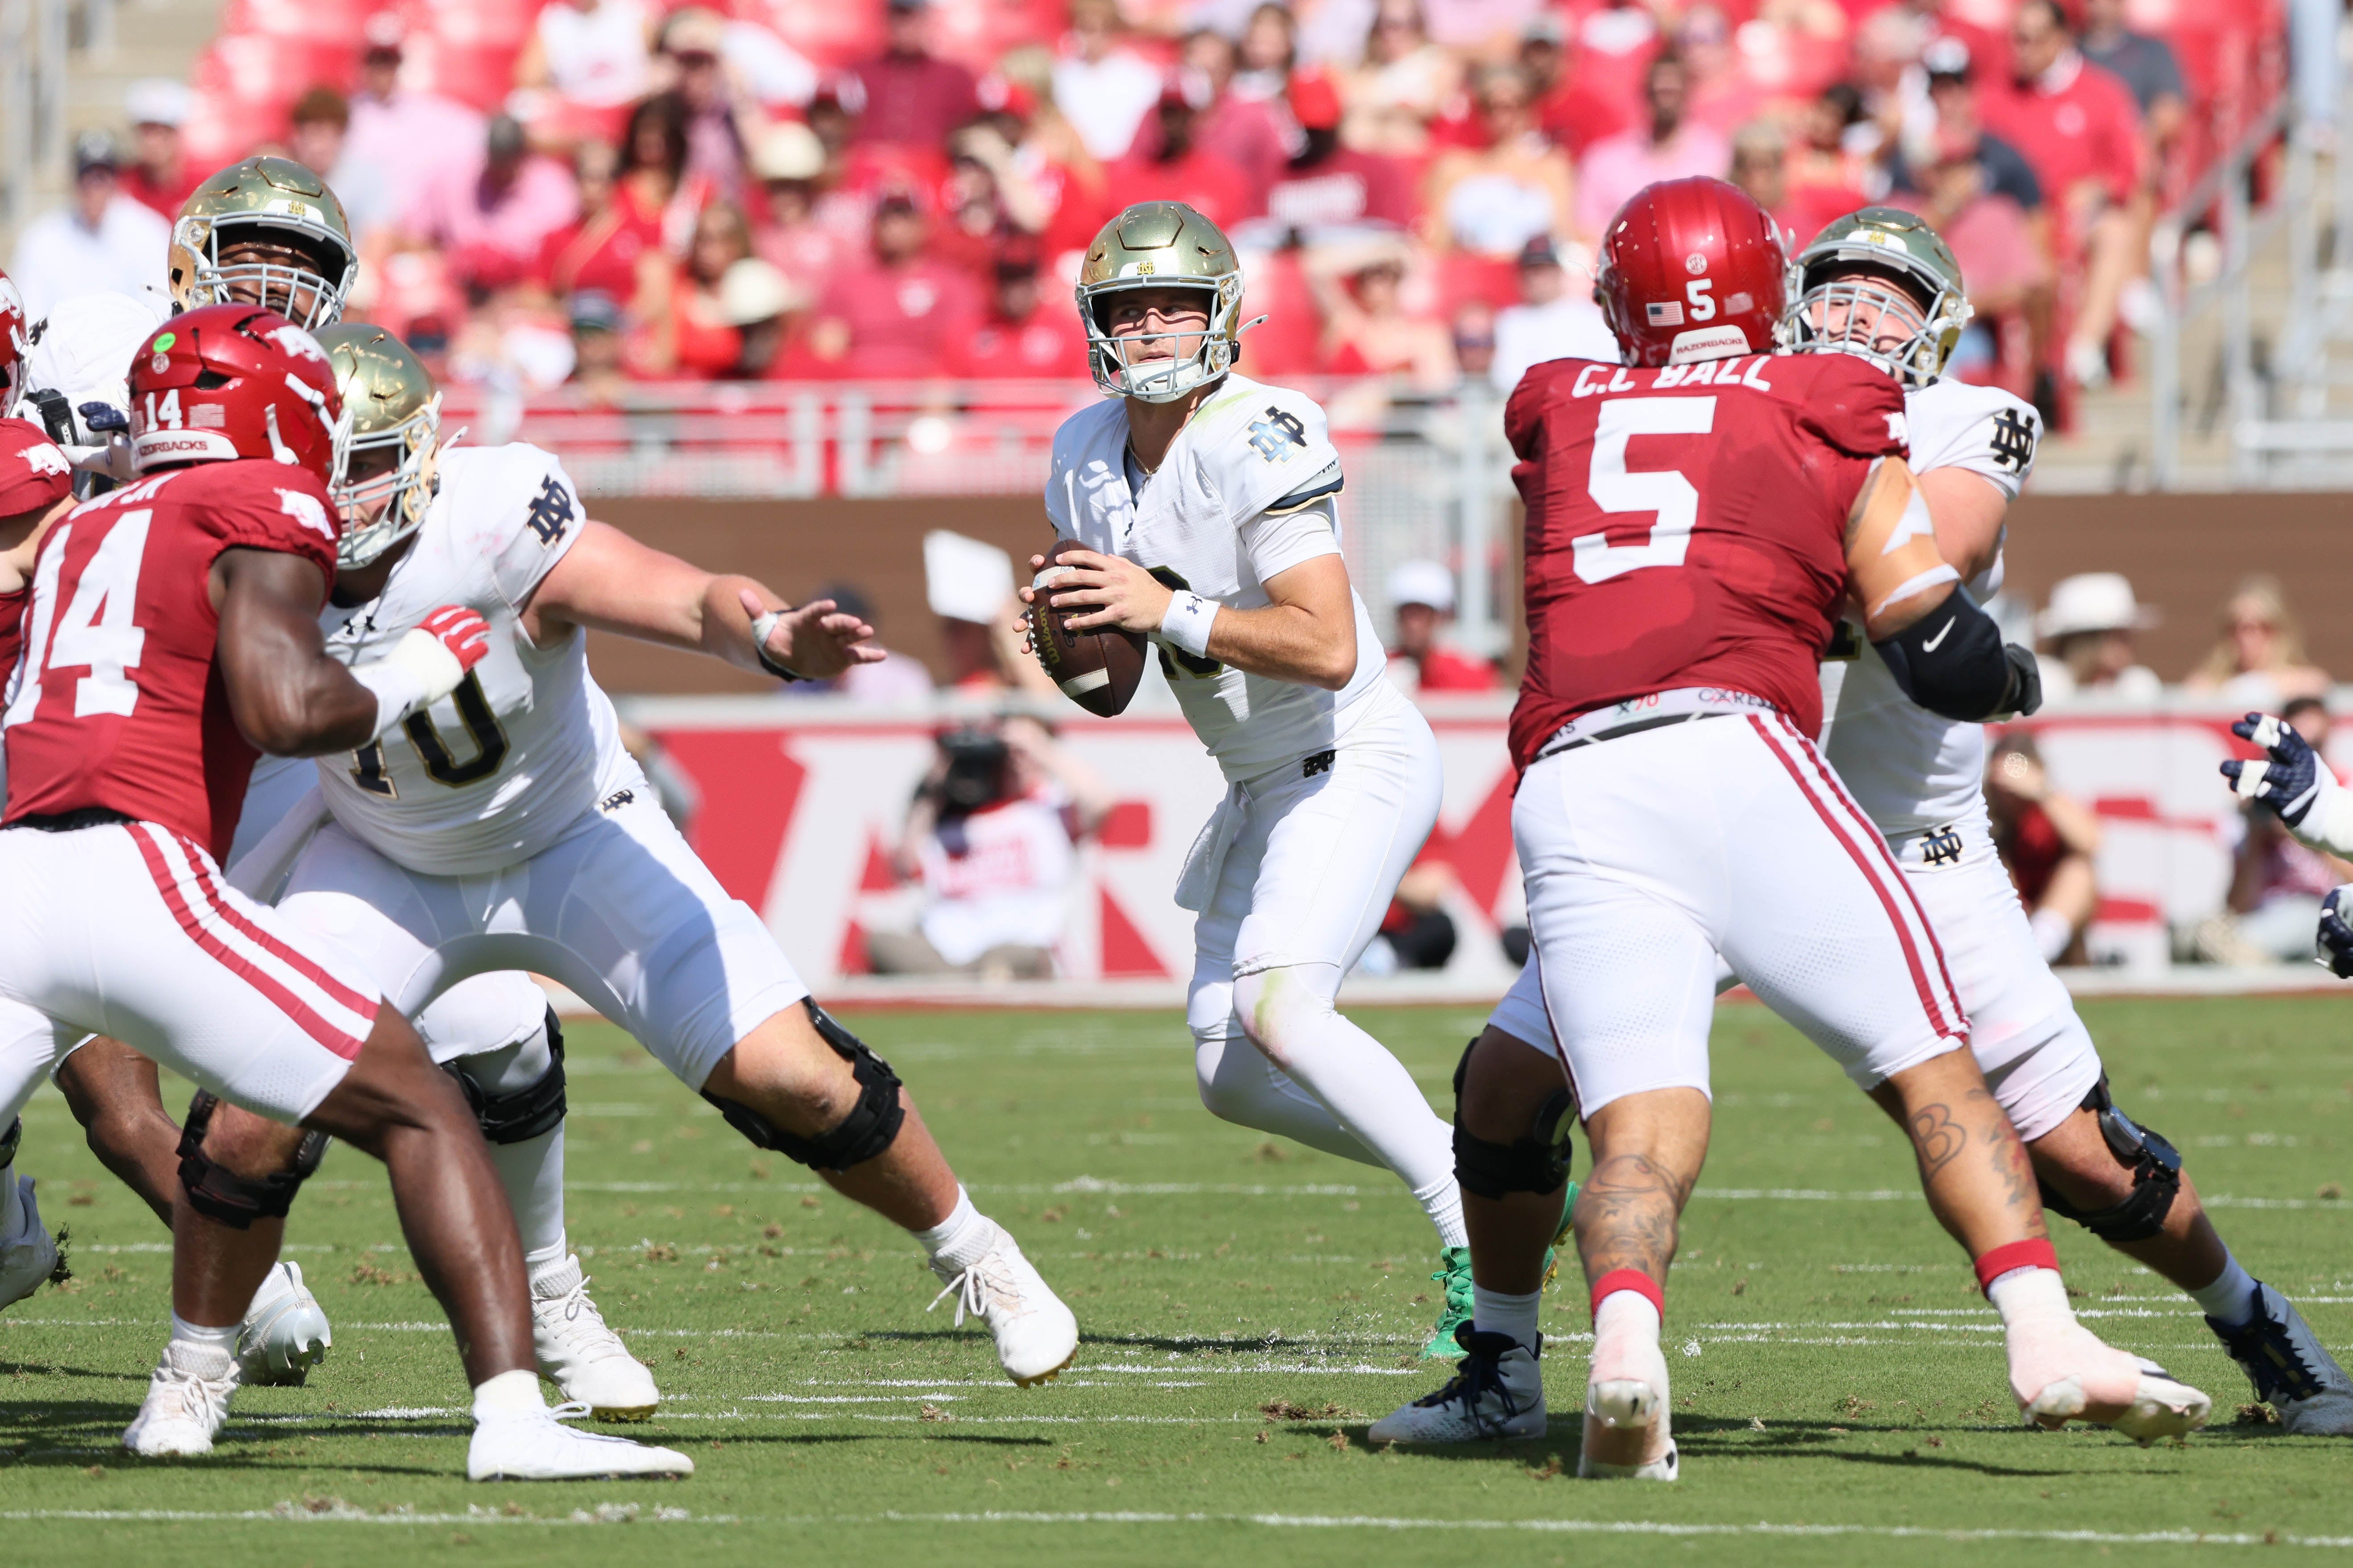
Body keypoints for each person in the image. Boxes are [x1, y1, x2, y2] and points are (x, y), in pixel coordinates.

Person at [1369, 178, 2208, 1469]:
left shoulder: (1553, 399)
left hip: (1581, 777)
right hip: (1743, 756)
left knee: (1636, 1126)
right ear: (1774, 293)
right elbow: (1932, 646)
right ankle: (2043, 1335)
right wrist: (2019, 678)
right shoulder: (1825, 402)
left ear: (1615, 301)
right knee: (1931, 1067)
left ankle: (1623, 1348)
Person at [165, 328, 1080, 1405]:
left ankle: (977, 1253)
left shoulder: (493, 516)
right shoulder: (254, 550)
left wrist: (774, 635)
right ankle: (191, 1373)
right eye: (323, 461)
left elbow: (684, 596)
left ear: (420, 452)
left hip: (570, 834)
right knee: (246, 1117)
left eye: (367, 461)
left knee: (795, 1074)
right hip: (383, 858)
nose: (345, 491)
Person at [0, 303, 687, 1480]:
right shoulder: (261, 498)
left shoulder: (83, 523)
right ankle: (514, 1418)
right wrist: (429, 662)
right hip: (134, 870)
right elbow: (284, 711)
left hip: (13, 874)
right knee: (420, 1100)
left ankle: (180, 1400)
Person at [1786, 207, 2343, 1433]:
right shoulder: (1736, 407)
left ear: (1934, 330)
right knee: (1524, 1078)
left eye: (1892, 297)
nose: (1861, 316)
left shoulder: (1968, 417)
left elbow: (1923, 564)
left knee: (2092, 1155)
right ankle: (1504, 1347)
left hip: (1906, 844)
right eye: (1840, 289)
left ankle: (2261, 1326)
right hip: (1724, 820)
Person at [1020, 200, 1489, 1358]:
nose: (1154, 327)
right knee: (1230, 1071)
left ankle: (1478, 1227)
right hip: (1262, 781)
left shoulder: (1263, 427)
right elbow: (1114, 683)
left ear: (1224, 311)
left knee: (1284, 1005)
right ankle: (1506, 1179)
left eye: (1177, 302)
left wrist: (1163, 605)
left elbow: (1325, 642)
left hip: (1353, 752)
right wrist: (1076, 634)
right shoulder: (1082, 451)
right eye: (1129, 307)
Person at [1980, 0, 2146, 389]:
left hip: (2072, 219)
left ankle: (2083, 348)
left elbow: (2129, 169)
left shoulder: (2100, 92)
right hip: (2015, 221)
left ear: (2060, 39)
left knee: (2115, 230)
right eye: (2017, 39)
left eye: (2033, 39)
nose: (2022, 49)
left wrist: (2098, 188)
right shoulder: (1996, 95)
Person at [868, 718, 1111, 978]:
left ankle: (969, 983)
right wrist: (937, 781)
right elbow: (904, 867)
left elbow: (1100, 802)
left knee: (1007, 961)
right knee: (881, 943)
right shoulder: (946, 822)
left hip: (1021, 946)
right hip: (948, 951)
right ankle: (965, 982)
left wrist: (1038, 749)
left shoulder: (1045, 810)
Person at [2215, 697, 2352, 966]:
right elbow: (2237, 906)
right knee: (2227, 935)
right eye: (2303, 746)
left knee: (2298, 918)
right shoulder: (2256, 808)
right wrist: (2257, 835)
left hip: (2330, 906)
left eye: (2316, 745)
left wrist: (2317, 834)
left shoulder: (2345, 794)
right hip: (2268, 915)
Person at [400, 115, 581, 301]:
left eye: (508, 159)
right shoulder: (453, 177)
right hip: (456, 285)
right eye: (497, 158)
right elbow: (415, 238)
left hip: (521, 292)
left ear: (523, 155)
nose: (501, 168)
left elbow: (559, 261)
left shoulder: (555, 189)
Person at [803, 187, 980, 378]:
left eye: (904, 217)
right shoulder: (847, 284)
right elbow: (827, 348)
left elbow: (962, 349)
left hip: (927, 391)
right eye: (886, 218)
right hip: (859, 393)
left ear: (924, 225)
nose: (894, 226)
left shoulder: (952, 285)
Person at [7, 131, 171, 317]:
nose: (94, 188)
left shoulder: (150, 233)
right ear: (74, 180)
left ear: (116, 181)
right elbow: (29, 316)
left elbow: (160, 314)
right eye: (86, 176)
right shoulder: (41, 240)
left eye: (102, 177)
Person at [1571, 54, 1730, 245]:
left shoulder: (1717, 155)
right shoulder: (1604, 161)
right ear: (1645, 95)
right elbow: (1587, 232)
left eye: (1672, 93)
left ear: (1687, 94)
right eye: (1658, 93)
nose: (1665, 102)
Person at [1423, 63, 1576, 260]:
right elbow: (1437, 244)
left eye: (1512, 106)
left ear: (1529, 110)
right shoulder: (1452, 168)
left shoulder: (1553, 168)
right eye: (1490, 106)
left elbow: (1564, 235)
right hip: (1472, 276)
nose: (1501, 116)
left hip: (1531, 277)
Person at [1985, 733, 2101, 966]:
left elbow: (2092, 842)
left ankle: (2036, 953)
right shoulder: (1984, 814)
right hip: (2005, 927)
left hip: (2056, 931)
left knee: (2079, 870)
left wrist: (2039, 791)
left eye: (2017, 769)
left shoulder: (2051, 806)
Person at [1489, 234, 1616, 395]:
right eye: (1530, 270)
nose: (1536, 279)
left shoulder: (1589, 317)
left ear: (1558, 272)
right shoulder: (1508, 321)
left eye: (1543, 270)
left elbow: (1607, 372)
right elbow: (1503, 379)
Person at [2185, 574, 2331, 710]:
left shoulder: (2306, 684)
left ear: (2279, 630)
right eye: (2235, 628)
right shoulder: (2206, 685)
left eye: (2258, 627)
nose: (2245, 638)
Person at [849, 0, 981, 149]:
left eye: (913, 18)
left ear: (927, 21)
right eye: (899, 18)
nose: (906, 27)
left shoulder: (955, 77)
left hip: (933, 165)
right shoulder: (861, 74)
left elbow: (970, 132)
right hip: (869, 163)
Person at [2034, 572, 2162, 701]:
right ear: (2085, 642)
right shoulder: (2046, 682)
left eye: (2127, 635)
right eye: (2116, 636)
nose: (2127, 645)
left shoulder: (2136, 684)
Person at [1383, 559, 1495, 692]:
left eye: (1421, 614)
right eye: (1406, 614)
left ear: (1439, 617)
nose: (1412, 624)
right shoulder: (1378, 671)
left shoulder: (1471, 675)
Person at [120, 78, 201, 221]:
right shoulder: (122, 186)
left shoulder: (201, 189)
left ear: (178, 133)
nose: (153, 141)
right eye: (147, 131)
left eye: (163, 131)